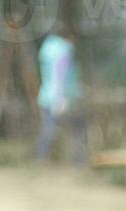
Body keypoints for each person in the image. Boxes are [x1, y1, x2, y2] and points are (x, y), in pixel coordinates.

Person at [35, 28, 87, 165]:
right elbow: (60, 75)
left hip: (46, 96)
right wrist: (60, 97)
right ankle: (79, 159)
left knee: (48, 128)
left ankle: (41, 157)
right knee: (78, 127)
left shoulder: (47, 51)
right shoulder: (64, 51)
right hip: (62, 98)